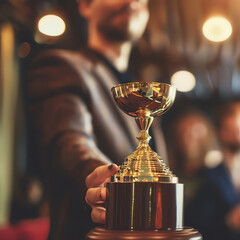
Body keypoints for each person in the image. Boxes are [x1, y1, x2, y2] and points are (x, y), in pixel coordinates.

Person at [26, 0, 157, 239]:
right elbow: (70, 141)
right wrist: (102, 178)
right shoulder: (61, 66)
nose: (131, 2)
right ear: (85, 5)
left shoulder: (142, 92)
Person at [185, 101, 240, 240]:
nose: (238, 133)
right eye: (232, 129)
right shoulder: (205, 176)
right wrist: (228, 223)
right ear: (221, 132)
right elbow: (194, 225)